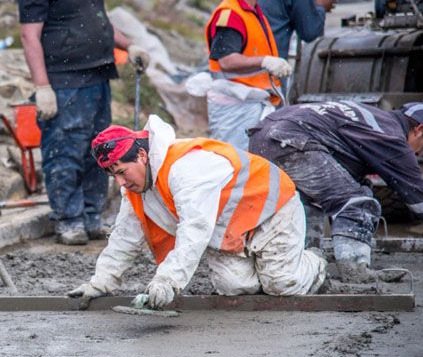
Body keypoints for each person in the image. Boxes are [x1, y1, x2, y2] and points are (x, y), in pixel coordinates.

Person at [67, 115, 326, 308]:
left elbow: (195, 228)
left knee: (281, 284)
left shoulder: (185, 168)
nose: (121, 183)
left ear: (142, 155)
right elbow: (124, 237)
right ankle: (267, 264)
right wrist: (100, 283)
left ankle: (314, 266)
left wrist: (168, 280)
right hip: (233, 230)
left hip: (272, 211)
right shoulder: (137, 188)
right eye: (114, 176)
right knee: (234, 287)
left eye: (122, 172)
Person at [18, 0, 151, 245]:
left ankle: (92, 217)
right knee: (65, 153)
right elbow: (29, 36)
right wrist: (42, 87)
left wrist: (128, 45)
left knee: (100, 152)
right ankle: (68, 221)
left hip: (97, 77)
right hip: (65, 84)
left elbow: (99, 22)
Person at [249, 101, 423, 281]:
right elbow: (420, 197)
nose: (419, 153)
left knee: (308, 202)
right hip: (291, 140)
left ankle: (304, 258)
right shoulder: (392, 136)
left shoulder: (371, 118)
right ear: (418, 130)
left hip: (262, 136)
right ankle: (355, 269)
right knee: (356, 203)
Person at [204, 0, 291, 150]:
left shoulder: (248, 11)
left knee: (253, 162)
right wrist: (264, 61)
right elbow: (226, 61)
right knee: (238, 163)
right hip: (235, 110)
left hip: (247, 105)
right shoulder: (231, 15)